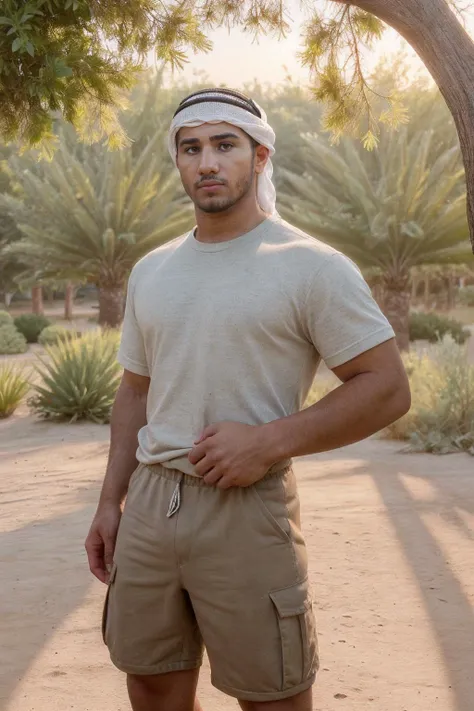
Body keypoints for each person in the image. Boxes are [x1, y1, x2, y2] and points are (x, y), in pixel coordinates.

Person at [85, 88, 411, 711]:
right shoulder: (152, 270)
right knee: (151, 681)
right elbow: (135, 391)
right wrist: (110, 502)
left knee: (273, 696)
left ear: (260, 157)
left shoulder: (311, 267)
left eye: (225, 145)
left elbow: (387, 387)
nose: (207, 162)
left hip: (247, 507)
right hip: (152, 504)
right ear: (178, 161)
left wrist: (269, 441)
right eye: (191, 148)